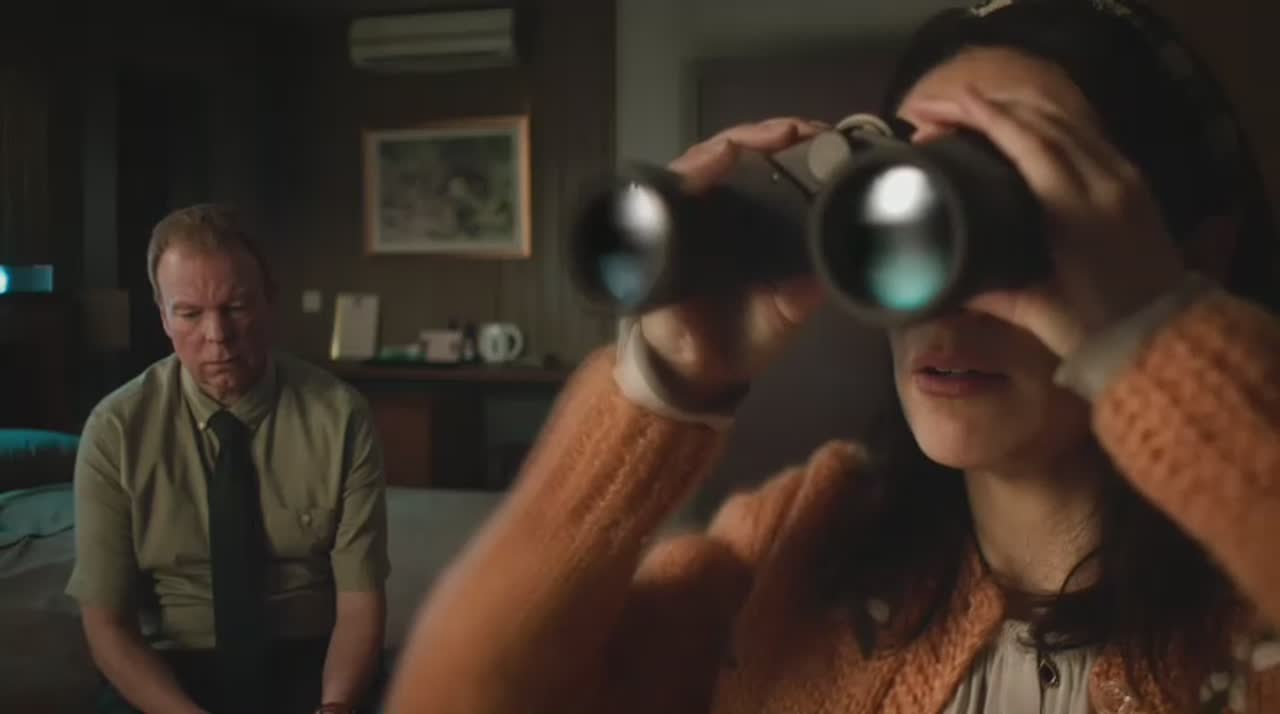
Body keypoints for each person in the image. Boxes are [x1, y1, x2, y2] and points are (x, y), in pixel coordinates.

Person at [384, 0, 1280, 712]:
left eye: (1014, 218)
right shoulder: (798, 545)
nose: (939, 294)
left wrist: (1159, 344)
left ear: (1194, 257)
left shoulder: (1250, 611)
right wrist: (662, 390)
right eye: (908, 215)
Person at [67, 204, 390, 714]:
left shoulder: (340, 416)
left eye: (236, 307)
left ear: (270, 300)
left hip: (311, 657)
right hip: (171, 668)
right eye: (190, 313)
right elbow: (107, 624)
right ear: (163, 316)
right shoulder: (116, 431)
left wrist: (336, 706)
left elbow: (360, 604)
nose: (218, 335)